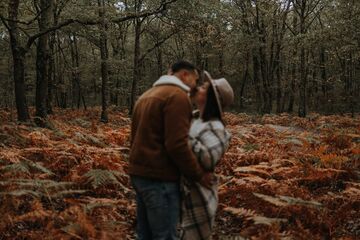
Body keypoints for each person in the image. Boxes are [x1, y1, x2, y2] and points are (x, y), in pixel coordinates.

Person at [129, 61, 213, 240]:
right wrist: (198, 174)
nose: (195, 86)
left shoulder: (146, 95)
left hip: (139, 175)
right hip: (160, 178)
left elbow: (135, 138)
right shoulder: (177, 96)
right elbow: (177, 144)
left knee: (145, 235)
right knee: (165, 236)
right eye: (195, 80)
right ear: (184, 75)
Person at [180, 71, 234, 240]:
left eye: (204, 87)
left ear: (210, 98)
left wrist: (180, 133)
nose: (199, 87)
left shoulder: (217, 128)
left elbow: (209, 156)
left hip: (198, 196)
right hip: (179, 191)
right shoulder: (194, 119)